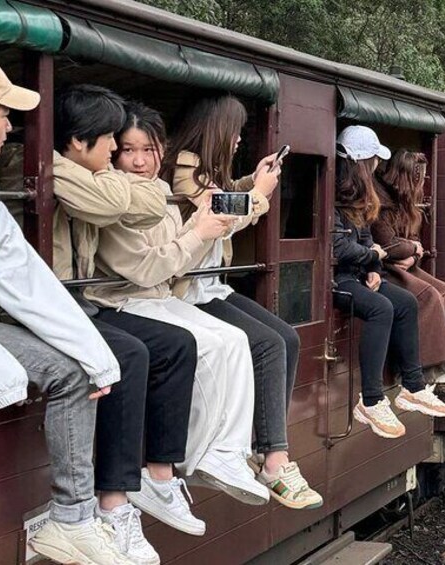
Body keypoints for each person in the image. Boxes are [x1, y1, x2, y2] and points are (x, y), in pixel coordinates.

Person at [0, 54, 132, 564]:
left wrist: (94, 355)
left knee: (71, 372)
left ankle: (71, 519)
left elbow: (25, 278)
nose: (10, 125)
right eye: (1, 111)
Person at [89, 101, 272, 521]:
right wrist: (243, 206)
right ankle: (187, 461)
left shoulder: (162, 192)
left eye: (149, 150)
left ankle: (226, 451)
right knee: (198, 344)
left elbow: (179, 255)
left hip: (158, 293)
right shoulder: (127, 192)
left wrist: (203, 227)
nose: (139, 160)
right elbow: (149, 266)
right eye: (129, 150)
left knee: (235, 339)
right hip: (126, 297)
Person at [51, 84, 202, 563]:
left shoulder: (90, 174)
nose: (121, 153)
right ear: (78, 142)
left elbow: (149, 204)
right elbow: (120, 206)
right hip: (61, 305)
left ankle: (159, 476)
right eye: (114, 145)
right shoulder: (49, 168)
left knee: (177, 344)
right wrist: (128, 187)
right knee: (129, 354)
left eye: (139, 148)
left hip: (75, 304)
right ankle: (112, 501)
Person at [163, 94, 322, 509]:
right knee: (267, 344)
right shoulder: (183, 164)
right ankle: (274, 459)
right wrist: (261, 195)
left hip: (210, 284)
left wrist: (253, 181)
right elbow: (214, 208)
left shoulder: (203, 169)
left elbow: (221, 194)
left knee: (286, 338)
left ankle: (263, 444)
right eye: (235, 131)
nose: (238, 140)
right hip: (188, 289)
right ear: (217, 130)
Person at [333, 126, 445, 439]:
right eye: (373, 160)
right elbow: (338, 247)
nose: (376, 166)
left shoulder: (358, 193)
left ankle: (413, 386)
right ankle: (370, 400)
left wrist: (372, 263)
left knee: (406, 302)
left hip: (357, 272)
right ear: (362, 161)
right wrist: (370, 255)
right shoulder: (335, 191)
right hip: (335, 279)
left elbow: (365, 238)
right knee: (381, 309)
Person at [371, 149, 445, 394]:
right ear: (407, 178)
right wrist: (412, 249)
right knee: (428, 296)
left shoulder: (406, 204)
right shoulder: (381, 203)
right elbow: (389, 243)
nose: (422, 184)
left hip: (404, 265)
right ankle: (432, 368)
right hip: (383, 269)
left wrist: (412, 253)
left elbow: (407, 242)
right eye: (419, 178)